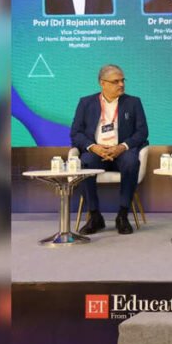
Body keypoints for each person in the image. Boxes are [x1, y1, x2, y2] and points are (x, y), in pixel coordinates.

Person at [70, 64, 149, 235]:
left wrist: (122, 147)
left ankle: (123, 215)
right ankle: (95, 216)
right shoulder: (86, 103)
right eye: (115, 81)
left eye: (122, 80)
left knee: (131, 162)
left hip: (122, 151)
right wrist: (94, 147)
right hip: (96, 151)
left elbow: (142, 132)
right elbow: (76, 133)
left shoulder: (133, 102)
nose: (121, 84)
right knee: (84, 163)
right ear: (102, 83)